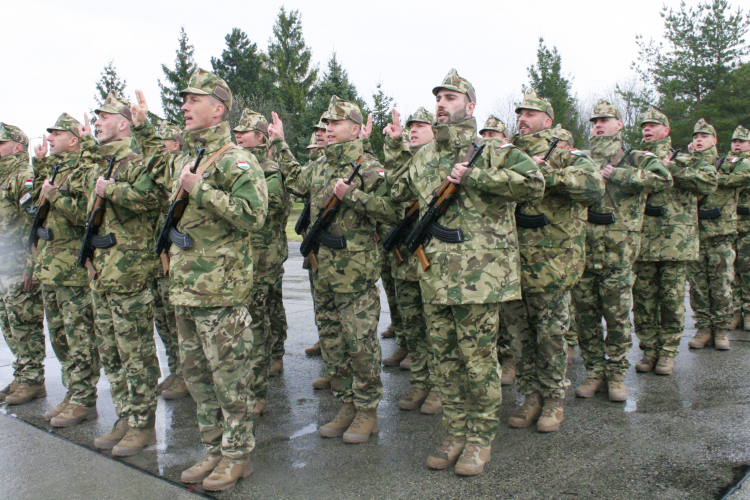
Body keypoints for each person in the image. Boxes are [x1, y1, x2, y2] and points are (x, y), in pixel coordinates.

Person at [390, 69, 545, 475]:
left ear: (470, 106)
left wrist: (476, 177)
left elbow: (535, 183)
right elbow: (395, 196)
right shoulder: (423, 158)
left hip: (479, 280)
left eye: (451, 98)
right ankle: (455, 431)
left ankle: (480, 438)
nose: (442, 104)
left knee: (478, 363)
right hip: (434, 277)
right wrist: (393, 149)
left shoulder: (490, 150)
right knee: (445, 362)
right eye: (438, 97)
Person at [134, 68, 267, 490]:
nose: (185, 107)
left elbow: (254, 215)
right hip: (187, 290)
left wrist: (200, 189)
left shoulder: (235, 159)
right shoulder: (190, 158)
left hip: (221, 292)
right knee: (197, 377)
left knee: (230, 378)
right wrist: (142, 128)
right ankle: (213, 448)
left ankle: (237, 454)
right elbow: (156, 171)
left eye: (194, 101)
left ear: (219, 108)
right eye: (183, 101)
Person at [269, 95, 399, 444]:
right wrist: (279, 141)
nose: (327, 127)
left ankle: (367, 408)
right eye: (325, 123)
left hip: (354, 273)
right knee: (333, 341)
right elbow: (296, 180)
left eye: (335, 122)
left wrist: (354, 196)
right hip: (322, 271)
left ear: (355, 129)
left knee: (359, 343)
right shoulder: (322, 165)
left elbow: (393, 210)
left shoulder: (369, 167)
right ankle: (346, 403)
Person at [502, 88, 604, 432]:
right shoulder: (507, 155)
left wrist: (549, 176)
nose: (523, 119)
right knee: (519, 339)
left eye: (530, 114)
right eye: (520, 114)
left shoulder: (566, 157)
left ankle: (554, 401)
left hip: (552, 267)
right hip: (511, 267)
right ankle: (530, 398)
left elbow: (594, 187)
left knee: (551, 338)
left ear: (547, 120)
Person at [572, 100, 672, 402]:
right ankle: (594, 372)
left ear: (620, 124)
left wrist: (617, 174)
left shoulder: (637, 158)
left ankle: (616, 375)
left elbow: (663, 179)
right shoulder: (582, 158)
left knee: (616, 321)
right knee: (586, 319)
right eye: (594, 121)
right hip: (585, 254)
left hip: (619, 256)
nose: (598, 125)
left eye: (605, 120)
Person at [79, 92, 162, 457]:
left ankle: (142, 425)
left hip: (129, 274)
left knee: (136, 352)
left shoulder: (136, 162)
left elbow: (153, 199)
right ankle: (125, 417)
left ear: (124, 123)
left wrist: (110, 189)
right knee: (111, 352)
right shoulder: (104, 163)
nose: (97, 122)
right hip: (102, 274)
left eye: (104, 117)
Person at [632, 108, 717, 375]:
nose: (647, 129)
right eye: (644, 126)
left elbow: (708, 183)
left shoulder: (686, 160)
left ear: (666, 131)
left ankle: (668, 352)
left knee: (671, 300)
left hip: (675, 244)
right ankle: (649, 350)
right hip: (643, 242)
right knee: (644, 300)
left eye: (653, 125)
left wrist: (672, 168)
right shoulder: (634, 159)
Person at [32, 113, 102, 425]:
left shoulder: (85, 171)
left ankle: (85, 398)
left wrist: (55, 195)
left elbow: (85, 216)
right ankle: (73, 392)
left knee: (80, 337)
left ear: (74, 139)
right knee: (60, 336)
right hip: (51, 268)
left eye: (56, 134)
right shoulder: (57, 169)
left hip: (73, 269)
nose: (49, 139)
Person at [382, 106, 441, 414]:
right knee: (414, 326)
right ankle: (420, 382)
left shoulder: (440, 159)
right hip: (406, 259)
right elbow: (394, 189)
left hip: (433, 258)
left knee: (437, 329)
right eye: (411, 126)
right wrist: (394, 145)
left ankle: (440, 387)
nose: (414, 130)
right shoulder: (407, 161)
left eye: (421, 125)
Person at [233, 108, 291, 415]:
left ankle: (273, 354)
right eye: (237, 132)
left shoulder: (269, 168)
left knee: (266, 307)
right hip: (244, 253)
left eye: (244, 132)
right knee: (254, 309)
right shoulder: (239, 165)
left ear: (261, 137)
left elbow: (271, 205)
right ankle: (262, 358)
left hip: (265, 252)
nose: (238, 136)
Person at [687, 119, 750, 350]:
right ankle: (704, 327)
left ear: (714, 140)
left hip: (722, 233)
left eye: (704, 136)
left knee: (722, 284)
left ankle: (721, 329)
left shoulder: (728, 164)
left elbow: (745, 176)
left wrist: (710, 179)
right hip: (693, 235)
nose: (699, 140)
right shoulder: (688, 164)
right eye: (695, 137)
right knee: (698, 286)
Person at [0, 123, 45, 405]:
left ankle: (32, 380)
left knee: (24, 323)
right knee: (8, 324)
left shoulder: (24, 177)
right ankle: (21, 373)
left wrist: (31, 267)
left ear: (18, 146)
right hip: (3, 265)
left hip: (18, 266)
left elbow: (32, 225)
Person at [152, 120, 187, 400]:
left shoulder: (177, 170)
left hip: (172, 256)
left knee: (176, 321)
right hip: (154, 254)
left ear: (175, 145)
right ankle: (175, 370)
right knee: (162, 321)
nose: (156, 149)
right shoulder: (157, 171)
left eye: (161, 142)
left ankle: (186, 374)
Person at [730, 126, 750, 330]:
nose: (737, 145)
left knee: (748, 270)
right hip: (731, 225)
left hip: (748, 225)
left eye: (741, 142)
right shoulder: (726, 163)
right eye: (735, 141)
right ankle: (735, 311)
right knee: (732, 273)